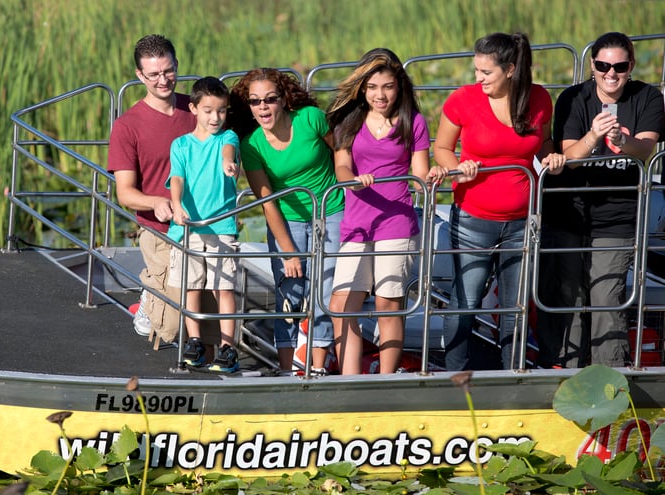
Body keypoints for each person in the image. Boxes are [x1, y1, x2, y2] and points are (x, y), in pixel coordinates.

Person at [432, 32, 566, 371]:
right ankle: (455, 380)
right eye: (476, 70)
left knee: (516, 306)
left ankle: (513, 377)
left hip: (523, 220)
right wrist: (456, 168)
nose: (478, 79)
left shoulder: (538, 99)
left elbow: (544, 142)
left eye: (485, 72)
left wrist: (552, 157)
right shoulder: (463, 99)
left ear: (510, 69)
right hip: (474, 220)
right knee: (466, 302)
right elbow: (442, 149)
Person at [536, 32, 664, 368]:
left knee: (606, 299)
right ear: (592, 66)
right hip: (568, 212)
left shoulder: (648, 97)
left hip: (618, 217)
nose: (611, 73)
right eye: (603, 65)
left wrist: (623, 139)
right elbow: (569, 156)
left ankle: (610, 385)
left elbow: (646, 148)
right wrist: (594, 135)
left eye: (619, 66)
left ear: (631, 66)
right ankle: (563, 378)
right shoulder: (573, 97)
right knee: (567, 298)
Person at [324, 48, 446, 375]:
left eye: (388, 87)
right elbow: (342, 167)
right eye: (373, 87)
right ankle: (349, 381)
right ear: (363, 88)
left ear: (399, 87)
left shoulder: (413, 121)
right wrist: (353, 182)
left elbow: (419, 173)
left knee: (387, 306)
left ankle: (384, 381)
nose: (381, 95)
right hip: (357, 223)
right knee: (341, 305)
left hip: (396, 221)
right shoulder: (348, 121)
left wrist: (429, 178)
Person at [228, 68, 345, 374]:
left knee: (324, 288)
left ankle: (317, 366)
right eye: (255, 102)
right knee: (289, 294)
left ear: (283, 99)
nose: (263, 107)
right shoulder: (251, 145)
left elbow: (344, 155)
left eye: (270, 99)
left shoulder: (310, 119)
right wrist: (289, 251)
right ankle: (286, 369)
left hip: (331, 210)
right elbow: (267, 202)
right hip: (287, 219)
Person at [107, 34, 217, 346]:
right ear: (140, 76)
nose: (163, 80)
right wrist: (156, 201)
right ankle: (150, 299)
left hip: (206, 223)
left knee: (211, 320)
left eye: (168, 71)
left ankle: (207, 361)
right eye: (153, 74)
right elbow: (125, 193)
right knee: (167, 329)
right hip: (161, 230)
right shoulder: (127, 126)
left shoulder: (196, 109)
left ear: (177, 66)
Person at [166, 76, 241, 373]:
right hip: (189, 228)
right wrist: (177, 204)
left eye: (221, 111)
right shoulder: (181, 145)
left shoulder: (228, 137)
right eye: (208, 110)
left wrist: (228, 165)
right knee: (191, 286)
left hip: (220, 227)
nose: (215, 117)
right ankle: (195, 341)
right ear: (194, 108)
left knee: (224, 288)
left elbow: (227, 153)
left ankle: (227, 347)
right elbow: (177, 178)